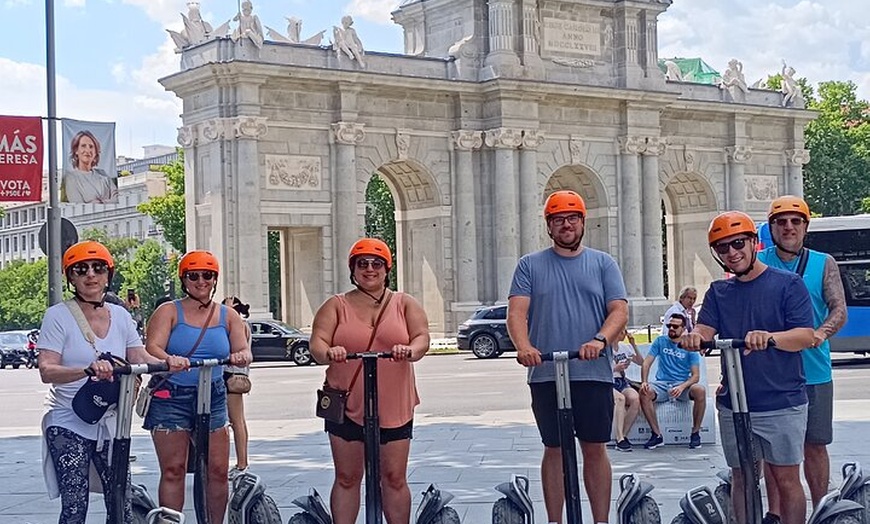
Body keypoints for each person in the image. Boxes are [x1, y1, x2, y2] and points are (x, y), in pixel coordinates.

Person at [680, 211, 815, 524]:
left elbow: (805, 336)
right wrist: (693, 338)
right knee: (741, 477)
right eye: (723, 248)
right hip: (736, 404)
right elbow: (705, 331)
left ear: (754, 243)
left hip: (782, 401)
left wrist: (769, 337)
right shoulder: (719, 291)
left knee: (785, 478)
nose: (732, 252)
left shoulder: (788, 284)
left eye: (738, 243)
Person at [36, 241, 184, 524]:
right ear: (71, 278)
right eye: (81, 269)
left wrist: (169, 362)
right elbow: (47, 370)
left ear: (108, 274)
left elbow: (139, 355)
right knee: (75, 503)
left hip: (109, 419)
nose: (90, 275)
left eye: (98, 268)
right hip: (68, 418)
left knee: (121, 501)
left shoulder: (120, 315)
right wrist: (87, 370)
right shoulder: (58, 316)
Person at [507, 190, 628, 524]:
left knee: (594, 447)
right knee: (555, 448)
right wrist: (524, 346)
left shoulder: (603, 263)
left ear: (582, 222)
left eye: (572, 218)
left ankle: (601, 520)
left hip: (592, 371)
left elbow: (619, 309)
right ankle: (555, 520)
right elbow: (517, 311)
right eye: (558, 220)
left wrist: (600, 339)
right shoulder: (530, 265)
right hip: (545, 371)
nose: (566, 225)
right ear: (549, 226)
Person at [309, 238, 429, 524]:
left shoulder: (404, 303)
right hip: (347, 402)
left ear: (387, 269)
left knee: (394, 477)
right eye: (362, 264)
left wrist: (410, 350)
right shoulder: (336, 305)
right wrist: (330, 352)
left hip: (394, 403)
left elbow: (422, 338)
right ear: (353, 269)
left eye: (377, 264)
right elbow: (317, 343)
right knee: (348, 477)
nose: (370, 269)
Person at [143, 250, 253, 523]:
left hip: (213, 395)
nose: (201, 281)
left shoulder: (228, 316)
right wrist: (170, 359)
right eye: (194, 276)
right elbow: (152, 347)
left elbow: (243, 349)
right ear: (184, 279)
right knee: (174, 469)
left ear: (215, 279)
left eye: (207, 275)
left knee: (216, 469)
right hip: (172, 396)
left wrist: (241, 355)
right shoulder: (169, 311)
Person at [758, 195, 847, 517]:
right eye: (781, 222)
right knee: (774, 451)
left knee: (815, 444)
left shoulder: (823, 262)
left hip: (814, 370)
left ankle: (822, 509)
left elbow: (838, 307)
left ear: (806, 227)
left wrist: (820, 333)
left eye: (796, 221)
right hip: (771, 372)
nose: (788, 227)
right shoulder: (759, 261)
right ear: (771, 228)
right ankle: (777, 515)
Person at [640, 313, 706, 450]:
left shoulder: (689, 346)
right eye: (669, 325)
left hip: (682, 384)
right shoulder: (660, 341)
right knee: (644, 392)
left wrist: (682, 386)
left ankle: (695, 433)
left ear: (683, 328)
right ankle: (656, 435)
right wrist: (644, 382)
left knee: (700, 390)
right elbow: (646, 363)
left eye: (675, 326)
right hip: (662, 384)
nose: (671, 328)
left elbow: (695, 376)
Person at [223, 296, 252, 480]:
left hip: (231, 374)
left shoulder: (238, 325)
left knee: (236, 421)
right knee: (238, 420)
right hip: (235, 374)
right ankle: (242, 462)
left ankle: (242, 463)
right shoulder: (243, 324)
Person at [61, 130, 118, 204]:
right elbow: (77, 204)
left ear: (95, 152)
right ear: (76, 151)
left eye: (91, 147)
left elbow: (116, 197)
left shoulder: (103, 173)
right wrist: (107, 201)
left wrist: (98, 202)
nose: (87, 150)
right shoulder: (70, 178)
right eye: (83, 146)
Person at [612, 328, 643, 452]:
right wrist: (616, 368)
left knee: (635, 398)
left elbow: (641, 362)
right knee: (620, 399)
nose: (624, 334)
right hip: (609, 380)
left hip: (621, 380)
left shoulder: (624, 347)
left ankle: (623, 435)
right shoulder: (606, 349)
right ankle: (619, 438)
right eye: (621, 331)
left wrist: (633, 345)